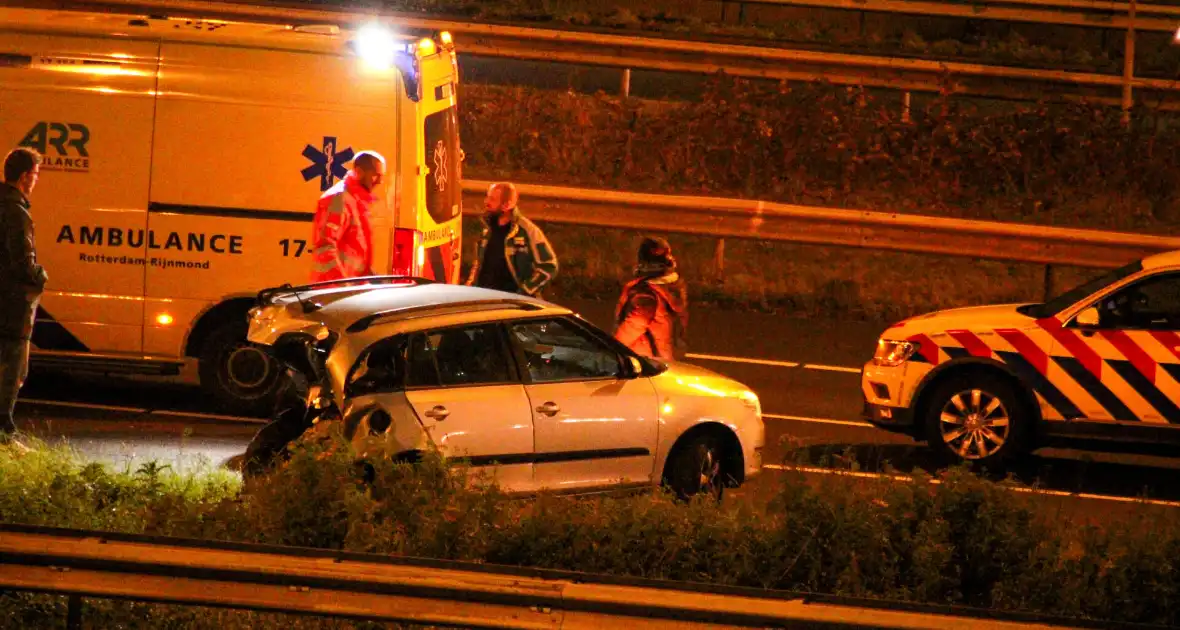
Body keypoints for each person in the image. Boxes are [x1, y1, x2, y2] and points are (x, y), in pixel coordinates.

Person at [0, 147, 48, 449]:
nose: (36, 181)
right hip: (13, 306)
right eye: (35, 175)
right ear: (23, 177)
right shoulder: (16, 213)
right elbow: (23, 263)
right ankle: (5, 434)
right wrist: (41, 276)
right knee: (14, 370)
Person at [467, 182, 558, 297]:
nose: (486, 202)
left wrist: (525, 292)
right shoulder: (487, 229)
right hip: (485, 300)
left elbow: (549, 266)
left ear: (507, 205)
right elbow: (479, 262)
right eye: (487, 197)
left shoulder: (527, 231)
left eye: (492, 199)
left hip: (512, 306)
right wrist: (470, 287)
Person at [310, 151, 386, 283]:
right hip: (333, 292)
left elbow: (356, 251)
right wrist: (342, 286)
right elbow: (325, 247)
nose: (380, 181)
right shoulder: (339, 199)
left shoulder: (356, 200)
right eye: (375, 175)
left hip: (347, 291)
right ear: (359, 172)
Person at [614, 236, 688, 361]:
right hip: (665, 355)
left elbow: (633, 326)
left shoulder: (645, 293)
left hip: (644, 360)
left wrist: (613, 349)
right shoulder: (672, 287)